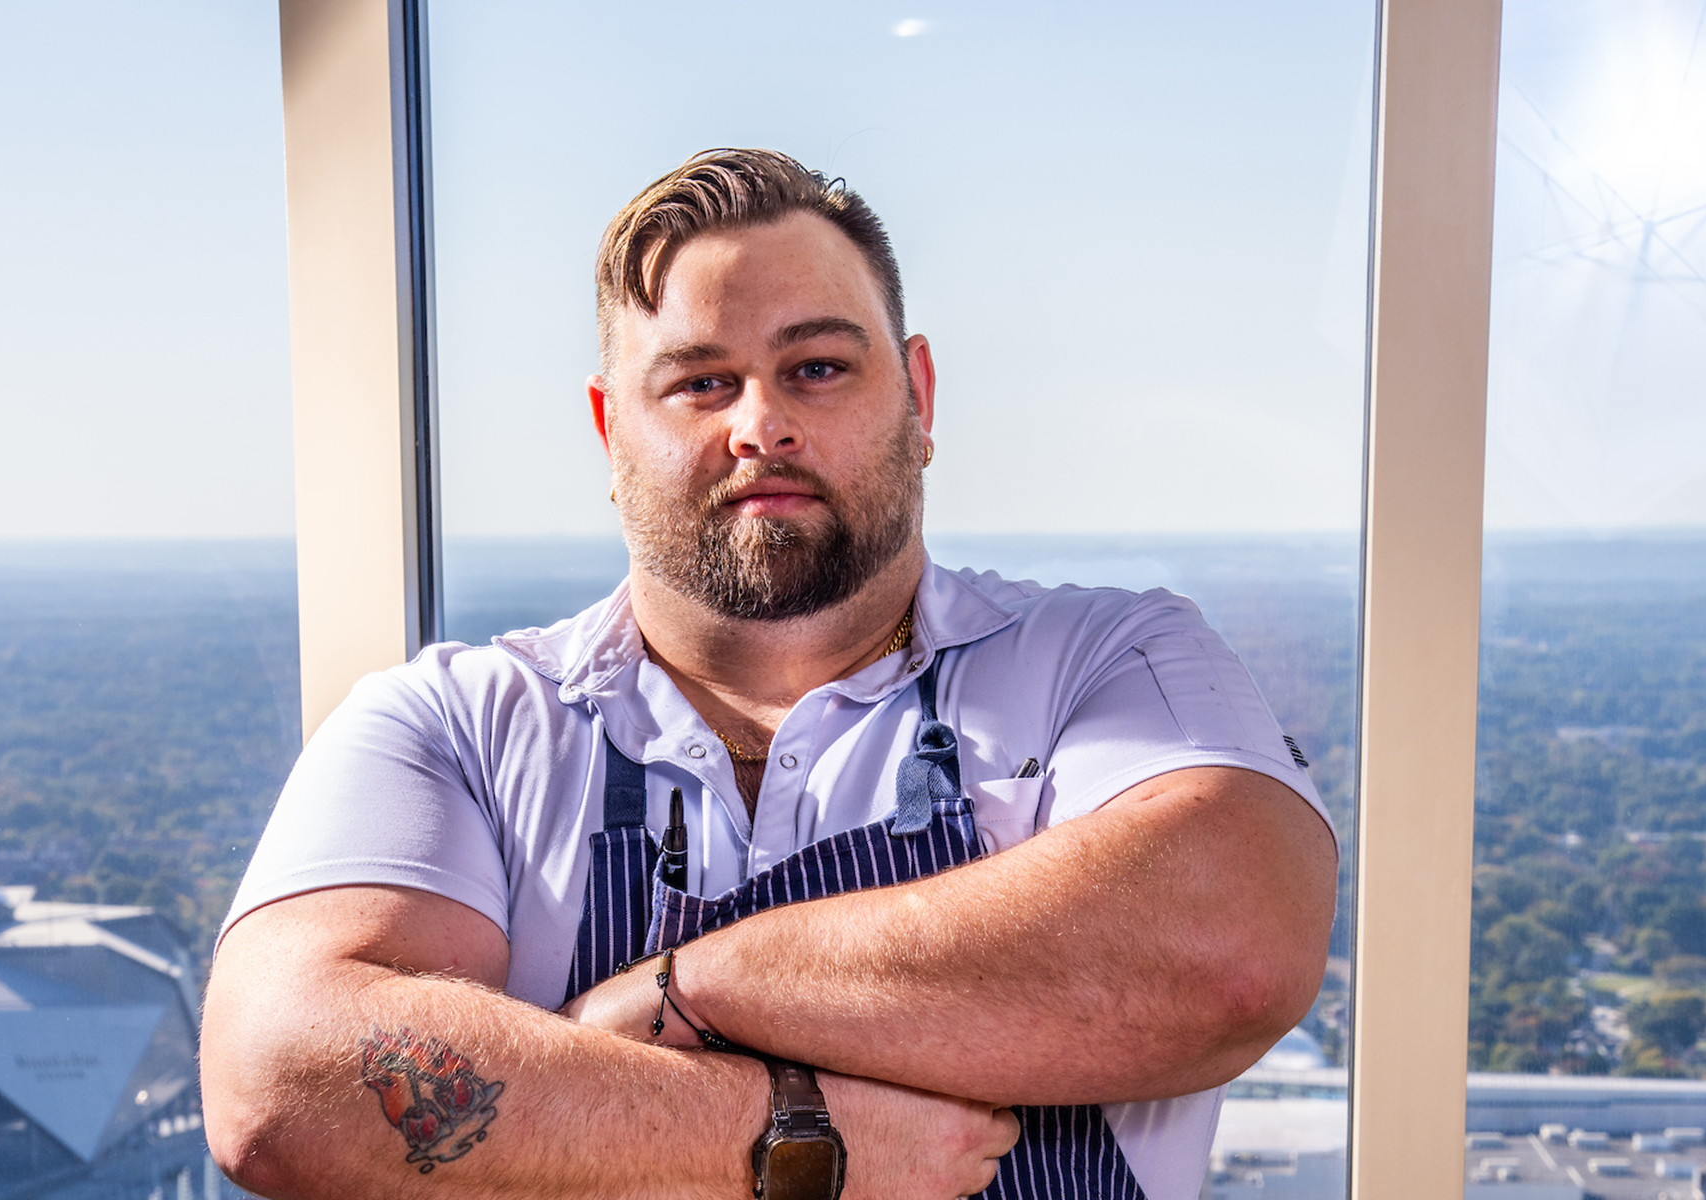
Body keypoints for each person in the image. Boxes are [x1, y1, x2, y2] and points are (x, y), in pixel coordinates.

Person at [201, 149, 1338, 1200]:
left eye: (818, 367)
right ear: (609, 431)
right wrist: (793, 1138)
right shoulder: (457, 727)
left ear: (919, 396)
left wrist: (683, 993)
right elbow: (277, 1082)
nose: (762, 425)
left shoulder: (1106, 661)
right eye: (700, 382)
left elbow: (1232, 948)